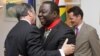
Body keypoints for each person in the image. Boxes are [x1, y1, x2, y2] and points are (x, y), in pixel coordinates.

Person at [4, 3, 75, 56]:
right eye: (39, 12)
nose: (39, 14)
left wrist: (62, 53)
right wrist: (61, 52)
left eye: (43, 12)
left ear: (54, 14)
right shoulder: (38, 30)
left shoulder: (67, 32)